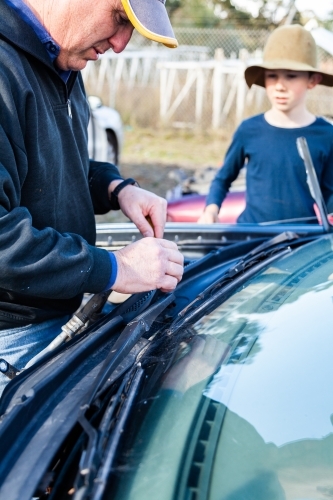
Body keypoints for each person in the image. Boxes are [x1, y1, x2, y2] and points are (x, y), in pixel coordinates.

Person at [0, 0, 183, 393]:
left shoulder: (61, 62)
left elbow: (56, 166)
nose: (120, 44)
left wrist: (117, 189)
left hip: (55, 319)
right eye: (120, 19)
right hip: (11, 341)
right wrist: (116, 268)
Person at [198, 24, 333, 225]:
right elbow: (223, 178)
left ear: (312, 80)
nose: (280, 85)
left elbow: (330, 192)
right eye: (272, 76)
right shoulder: (249, 130)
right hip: (253, 237)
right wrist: (210, 210)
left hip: (303, 241)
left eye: (291, 75)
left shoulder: (327, 135)